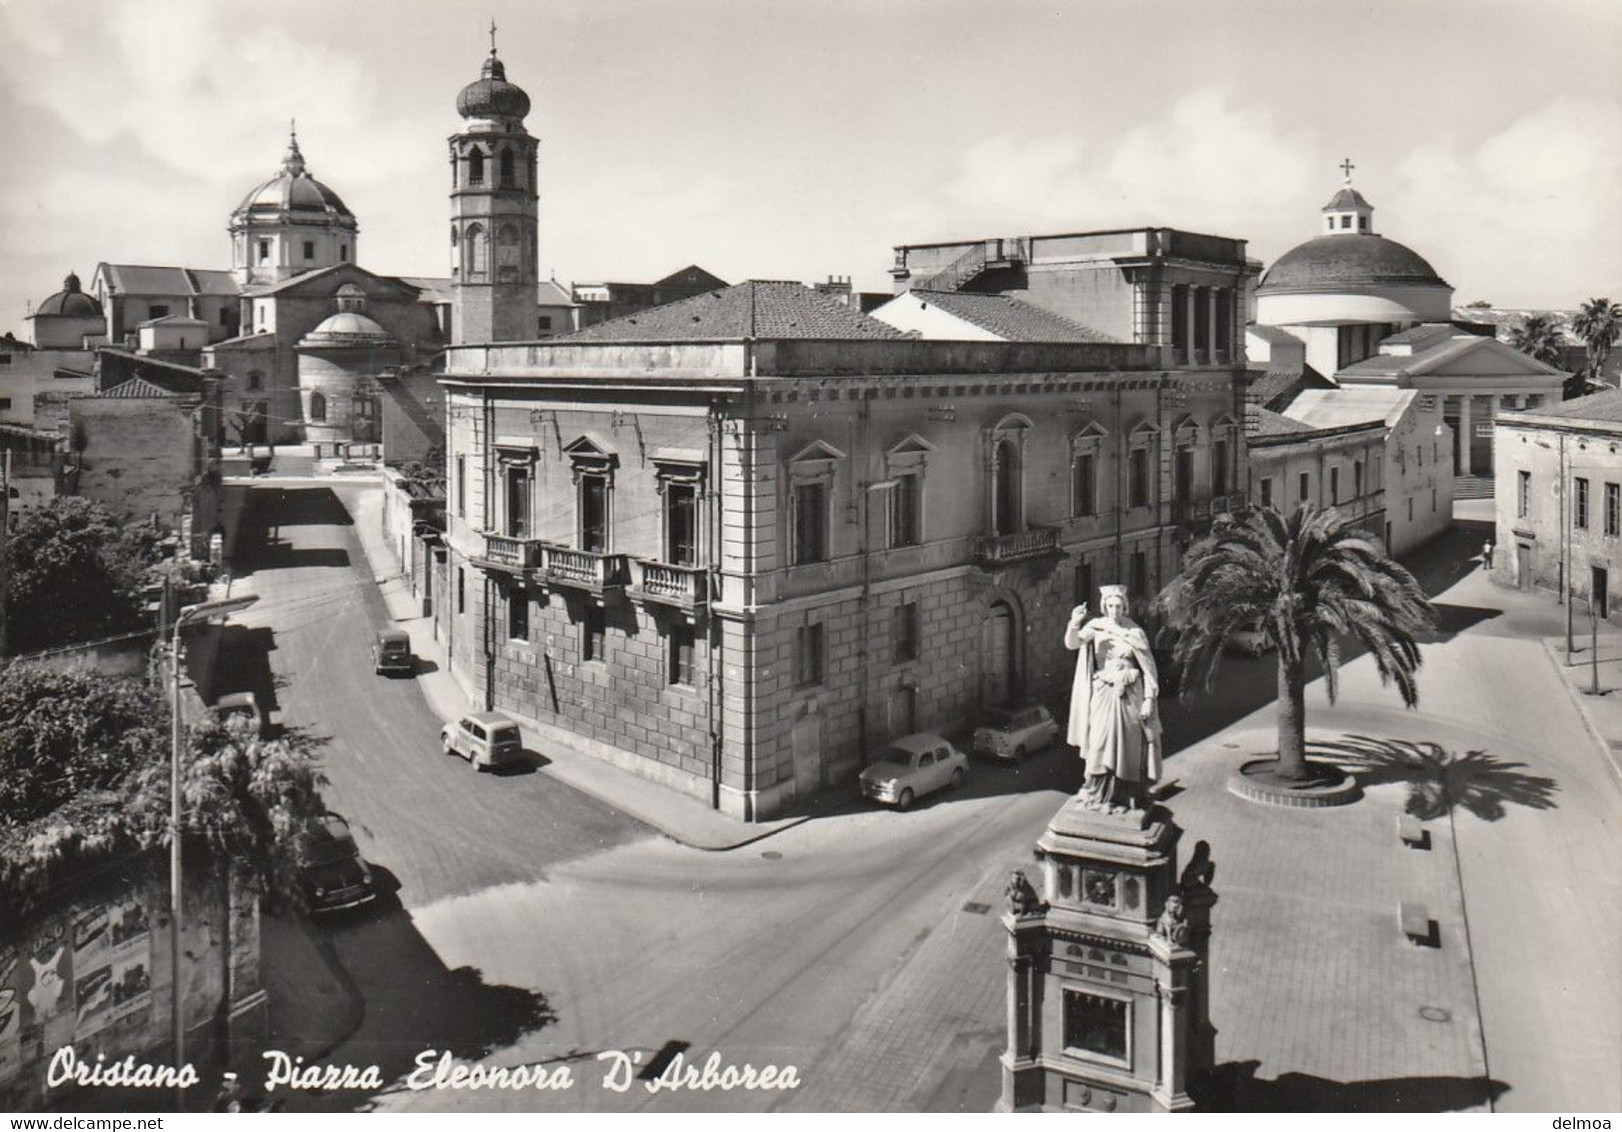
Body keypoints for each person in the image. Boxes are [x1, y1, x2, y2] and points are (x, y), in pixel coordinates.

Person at [1065, 585, 1163, 813]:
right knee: (1099, 740)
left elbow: (1150, 670)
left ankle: (1124, 798)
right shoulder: (1096, 627)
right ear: (1104, 607)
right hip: (1103, 691)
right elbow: (1072, 643)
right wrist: (1074, 622)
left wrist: (1149, 699)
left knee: (1128, 746)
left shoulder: (1135, 632)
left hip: (1130, 694)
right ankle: (1097, 792)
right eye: (1110, 606)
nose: (1114, 610)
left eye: (1118, 606)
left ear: (1125, 607)